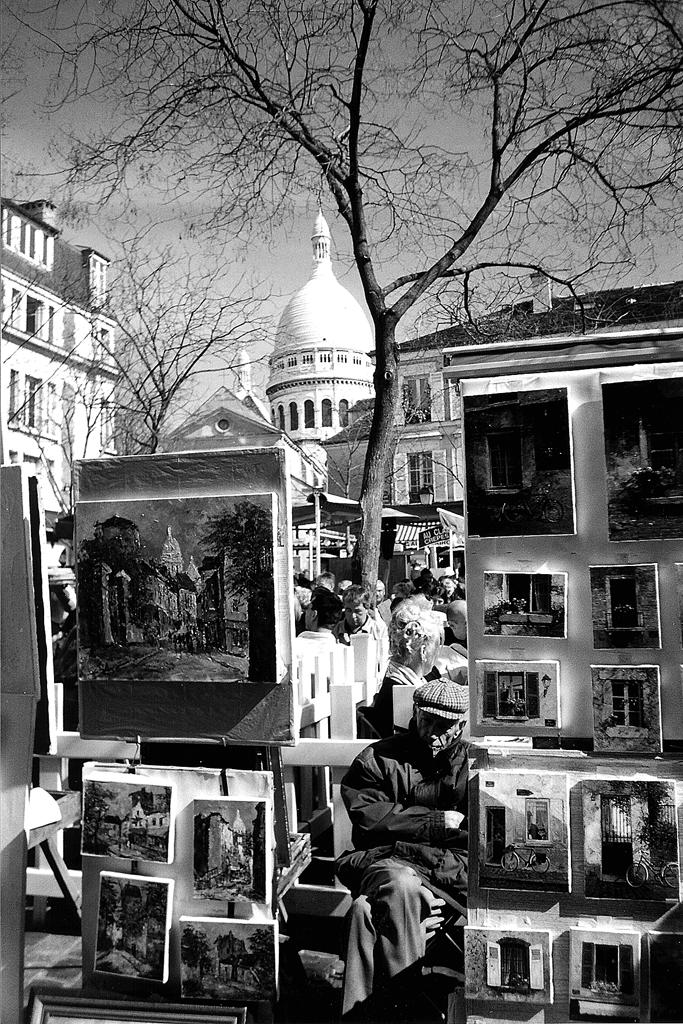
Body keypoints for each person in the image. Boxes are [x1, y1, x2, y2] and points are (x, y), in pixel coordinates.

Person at [336, 678, 469, 1021]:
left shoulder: (474, 768)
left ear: (462, 726)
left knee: (364, 914)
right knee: (399, 883)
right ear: (415, 713)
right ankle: (410, 1010)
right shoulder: (378, 758)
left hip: (446, 874)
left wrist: (407, 836)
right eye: (427, 721)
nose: (433, 733)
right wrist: (434, 823)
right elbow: (370, 822)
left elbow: (474, 838)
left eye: (445, 726)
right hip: (386, 864)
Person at [364, 598, 443, 738]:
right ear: (423, 650)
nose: (437, 653)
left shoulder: (410, 678)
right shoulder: (396, 690)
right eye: (436, 646)